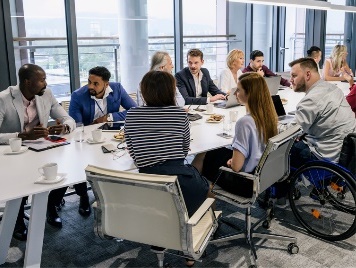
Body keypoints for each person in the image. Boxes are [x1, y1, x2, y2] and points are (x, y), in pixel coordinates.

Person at [0, 63, 76, 240]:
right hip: (13, 151)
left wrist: (64, 127)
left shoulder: (46, 94)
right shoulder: (4, 99)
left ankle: (51, 206)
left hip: (41, 147)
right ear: (27, 82)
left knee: (65, 169)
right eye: (42, 80)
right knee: (18, 182)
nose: (46, 84)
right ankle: (17, 221)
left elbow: (68, 118)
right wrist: (22, 135)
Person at [69, 66, 137, 216]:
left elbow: (134, 110)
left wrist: (109, 117)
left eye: (95, 83)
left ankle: (112, 195)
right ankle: (83, 196)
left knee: (119, 158)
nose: (90, 86)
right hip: (86, 140)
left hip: (109, 136)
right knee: (81, 163)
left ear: (106, 84)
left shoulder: (117, 88)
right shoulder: (78, 96)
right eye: (89, 82)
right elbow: (77, 126)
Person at [201, 72, 278, 185]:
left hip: (243, 180)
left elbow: (236, 167)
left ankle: (196, 191)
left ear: (249, 94)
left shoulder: (245, 122)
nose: (235, 93)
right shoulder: (269, 115)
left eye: (238, 90)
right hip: (260, 173)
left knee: (204, 156)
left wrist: (233, 161)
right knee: (213, 152)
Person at [288, 57, 356, 168]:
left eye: (294, 76)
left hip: (325, 156)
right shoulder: (334, 89)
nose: (290, 80)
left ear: (308, 75)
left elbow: (289, 133)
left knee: (279, 151)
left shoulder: (312, 99)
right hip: (345, 152)